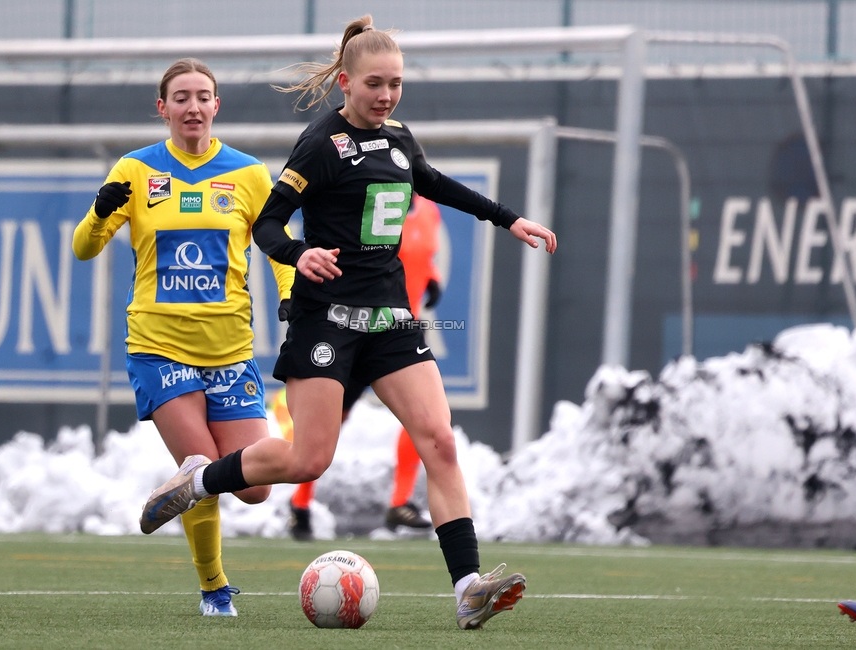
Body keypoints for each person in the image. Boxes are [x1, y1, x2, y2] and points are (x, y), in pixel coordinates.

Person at [140, 16, 556, 631]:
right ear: (345, 83)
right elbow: (268, 224)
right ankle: (202, 479)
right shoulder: (321, 144)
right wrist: (296, 252)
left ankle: (468, 587)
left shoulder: (399, 139)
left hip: (389, 317)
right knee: (309, 459)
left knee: (438, 439)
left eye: (395, 84)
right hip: (325, 322)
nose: (386, 95)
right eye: (374, 85)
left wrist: (507, 219)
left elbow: (434, 183)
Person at [72, 58, 294, 617]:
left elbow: (278, 243)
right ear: (163, 107)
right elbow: (84, 247)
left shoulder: (248, 174)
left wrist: (291, 296)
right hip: (158, 346)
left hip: (230, 350)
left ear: (217, 106)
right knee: (199, 461)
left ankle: (178, 489)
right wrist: (99, 215)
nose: (193, 107)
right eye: (181, 97)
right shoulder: (136, 170)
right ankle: (215, 590)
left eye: (203, 96)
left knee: (255, 486)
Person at [274, 194, 443, 541]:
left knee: (428, 419)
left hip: (400, 330)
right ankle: (300, 503)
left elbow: (422, 253)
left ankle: (400, 503)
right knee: (327, 423)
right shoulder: (367, 198)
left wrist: (432, 275)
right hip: (357, 326)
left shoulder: (428, 211)